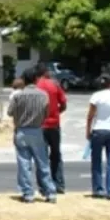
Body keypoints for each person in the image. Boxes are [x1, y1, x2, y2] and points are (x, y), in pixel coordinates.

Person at [7, 68, 57, 203]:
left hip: (22, 130)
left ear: (24, 80)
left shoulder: (18, 96)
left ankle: (28, 193)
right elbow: (46, 113)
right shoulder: (43, 95)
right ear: (36, 79)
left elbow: (10, 112)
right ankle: (50, 192)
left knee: (24, 163)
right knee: (43, 162)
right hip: (37, 130)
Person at [35, 62, 68, 194]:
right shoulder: (55, 84)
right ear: (46, 72)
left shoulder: (36, 86)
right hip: (54, 124)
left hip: (40, 125)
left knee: (41, 157)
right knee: (56, 155)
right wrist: (56, 113)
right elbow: (64, 104)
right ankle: (59, 184)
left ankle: (44, 187)